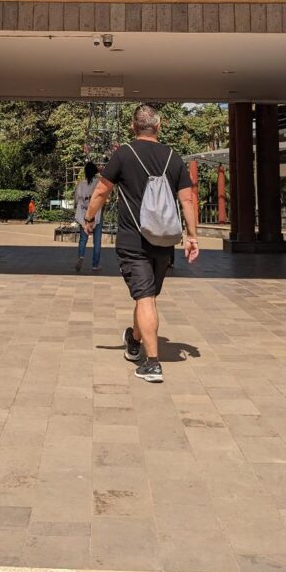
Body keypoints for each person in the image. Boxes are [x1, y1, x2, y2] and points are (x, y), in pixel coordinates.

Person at [83, 104, 199, 383]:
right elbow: (187, 199)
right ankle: (134, 339)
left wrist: (89, 218)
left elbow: (101, 190)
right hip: (164, 240)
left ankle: (153, 364)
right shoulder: (174, 157)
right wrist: (192, 236)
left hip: (132, 239)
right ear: (159, 126)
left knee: (145, 298)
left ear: (134, 128)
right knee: (147, 296)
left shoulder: (124, 153)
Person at [74, 162, 103, 272]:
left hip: (84, 215)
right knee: (97, 241)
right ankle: (95, 265)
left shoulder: (81, 184)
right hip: (97, 214)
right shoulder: (98, 183)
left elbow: (77, 199)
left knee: (83, 239)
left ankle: (81, 256)